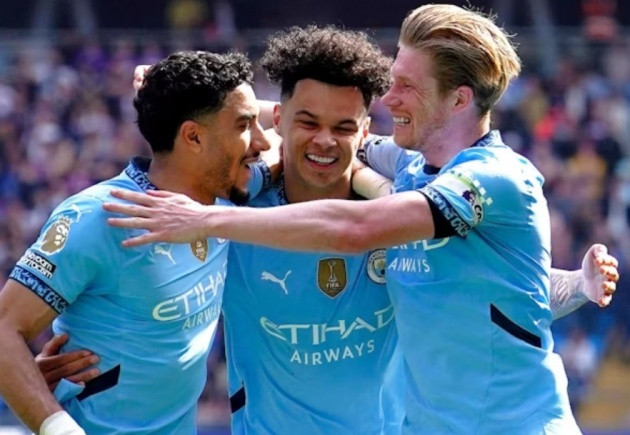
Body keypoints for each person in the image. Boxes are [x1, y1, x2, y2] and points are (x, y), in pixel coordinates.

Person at [38, 25, 619, 435]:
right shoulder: (256, 193)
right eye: (306, 122)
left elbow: (370, 236)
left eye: (345, 126)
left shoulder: (417, 202)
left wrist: (573, 287)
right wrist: (176, 94)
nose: (325, 139)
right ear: (281, 122)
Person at [0, 50, 269, 434]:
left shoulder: (229, 199)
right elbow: (4, 330)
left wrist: (163, 96)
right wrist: (59, 428)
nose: (262, 140)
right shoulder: (98, 217)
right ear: (193, 136)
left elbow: (305, 132)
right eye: (245, 125)